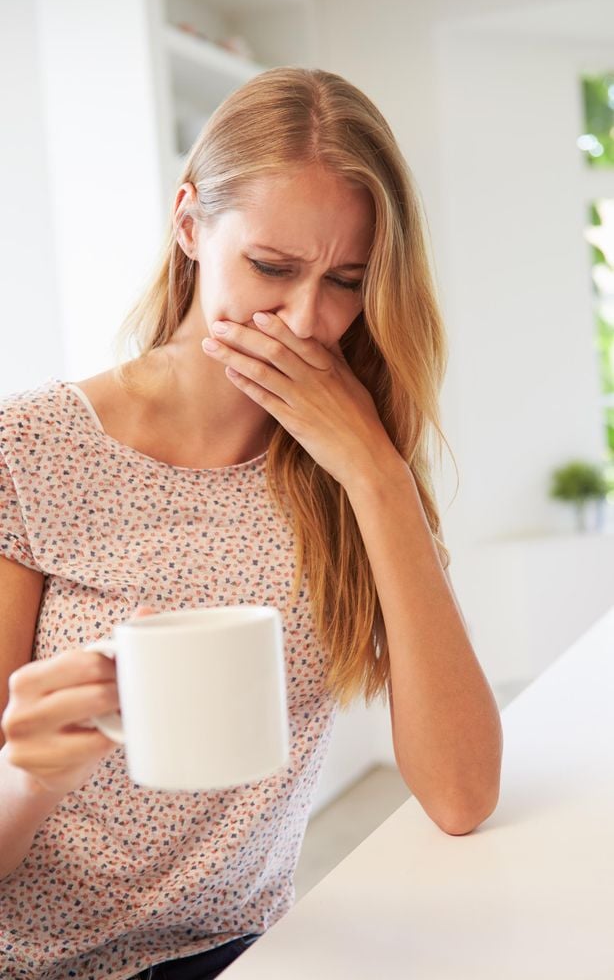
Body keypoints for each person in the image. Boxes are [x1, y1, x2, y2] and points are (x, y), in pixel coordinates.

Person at [0, 66, 503, 980]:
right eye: (271, 267)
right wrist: (28, 775)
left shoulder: (354, 467)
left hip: (250, 951)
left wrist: (376, 475)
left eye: (347, 281)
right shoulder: (27, 449)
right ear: (190, 225)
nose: (309, 321)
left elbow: (462, 794)